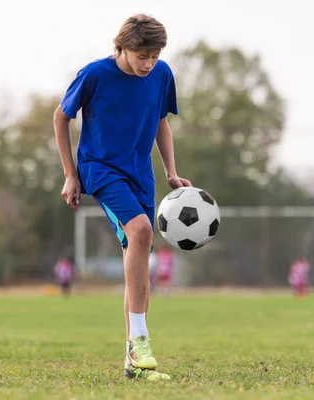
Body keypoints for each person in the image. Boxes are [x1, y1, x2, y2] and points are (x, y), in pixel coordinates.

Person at [53, 13, 191, 381]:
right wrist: (71, 174)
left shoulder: (161, 76)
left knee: (138, 254)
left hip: (140, 174)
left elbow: (162, 122)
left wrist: (170, 172)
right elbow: (60, 117)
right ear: (123, 47)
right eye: (141, 55)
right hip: (100, 169)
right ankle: (142, 342)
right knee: (142, 229)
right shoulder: (95, 75)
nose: (148, 63)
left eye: (155, 55)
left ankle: (134, 362)